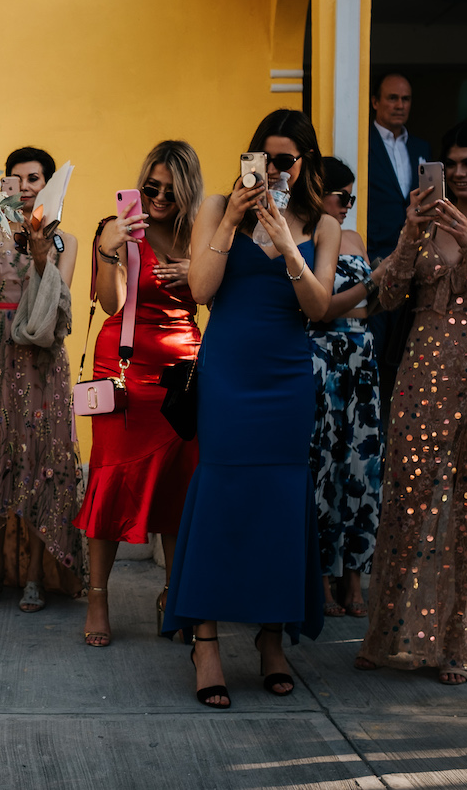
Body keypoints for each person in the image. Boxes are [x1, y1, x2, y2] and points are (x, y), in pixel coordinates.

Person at [164, 109, 339, 708]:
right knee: (220, 493)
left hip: (286, 376)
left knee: (279, 503)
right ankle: (205, 640)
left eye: (286, 160)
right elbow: (203, 292)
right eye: (264, 157)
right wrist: (235, 219)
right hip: (230, 370)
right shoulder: (218, 207)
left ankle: (272, 639)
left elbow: (318, 309)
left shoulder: (325, 225)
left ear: (306, 163)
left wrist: (288, 241)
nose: (275, 170)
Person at [355, 118, 467, 685]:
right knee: (406, 503)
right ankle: (385, 637)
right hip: (422, 375)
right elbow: (390, 293)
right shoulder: (426, 225)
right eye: (449, 164)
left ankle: (457, 643)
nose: (457, 173)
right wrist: (409, 234)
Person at [74, 140, 203, 647]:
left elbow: (216, 297)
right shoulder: (120, 228)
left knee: (180, 486)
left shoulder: (200, 234)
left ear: (188, 190)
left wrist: (196, 272)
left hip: (184, 372)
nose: (159, 197)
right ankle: (99, 597)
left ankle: (173, 595)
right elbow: (112, 302)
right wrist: (112, 248)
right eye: (151, 187)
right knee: (110, 482)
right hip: (125, 371)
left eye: (171, 190)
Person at [0, 146, 84, 611]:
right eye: (17, 179)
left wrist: (38, 247)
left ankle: (34, 575)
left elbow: (58, 295)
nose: (26, 188)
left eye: (35, 180)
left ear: (49, 185)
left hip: (42, 353)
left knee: (41, 457)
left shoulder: (64, 240)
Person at [307, 156, 383, 619]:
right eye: (342, 197)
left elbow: (368, 308)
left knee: (361, 464)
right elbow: (316, 310)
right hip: (318, 358)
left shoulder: (352, 238)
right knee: (319, 465)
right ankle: (317, 576)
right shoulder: (309, 234)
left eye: (353, 198)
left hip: (361, 360)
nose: (347, 206)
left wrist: (362, 297)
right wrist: (369, 286)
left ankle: (353, 575)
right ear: (318, 192)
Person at [366, 73, 432, 407]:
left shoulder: (422, 148)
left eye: (405, 99)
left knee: (407, 349)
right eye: (392, 98)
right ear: (375, 101)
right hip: (374, 258)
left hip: (415, 262)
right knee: (375, 348)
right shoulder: (360, 143)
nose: (399, 105)